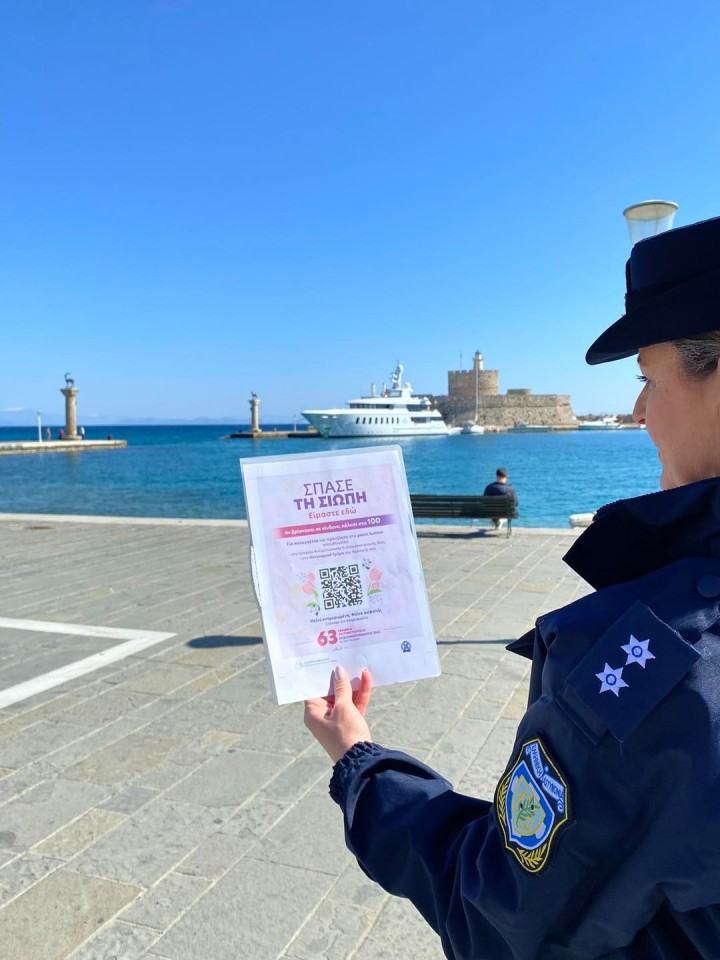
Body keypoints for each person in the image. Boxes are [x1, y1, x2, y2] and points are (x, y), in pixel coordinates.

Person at [303, 214, 720, 959]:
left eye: (648, 379)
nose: (638, 412)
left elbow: (496, 910)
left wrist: (359, 760)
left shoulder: (660, 664)